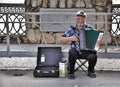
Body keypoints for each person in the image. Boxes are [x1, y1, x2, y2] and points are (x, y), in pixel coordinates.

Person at [60, 10, 104, 79]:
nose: (80, 20)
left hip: (87, 51)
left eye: (82, 19)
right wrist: (70, 38)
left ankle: (91, 71)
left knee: (93, 55)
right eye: (78, 18)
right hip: (76, 51)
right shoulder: (72, 29)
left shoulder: (89, 28)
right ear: (76, 19)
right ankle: (71, 72)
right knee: (72, 52)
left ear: (85, 20)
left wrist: (100, 42)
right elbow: (61, 40)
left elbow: (97, 39)